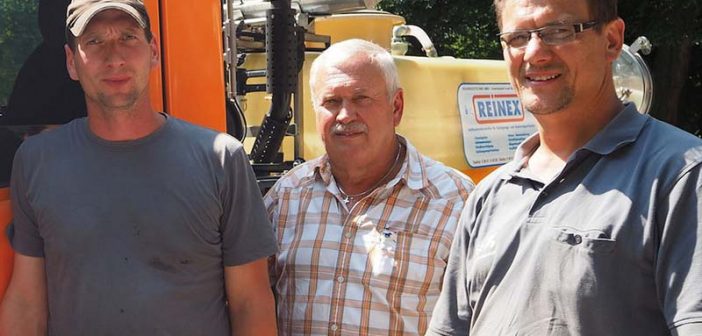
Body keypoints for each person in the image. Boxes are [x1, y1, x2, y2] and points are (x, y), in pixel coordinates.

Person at [0, 1, 278, 335]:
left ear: (154, 50)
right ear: (72, 62)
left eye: (128, 37)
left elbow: (251, 302)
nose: (114, 57)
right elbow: (26, 302)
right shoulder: (35, 161)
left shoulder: (221, 158)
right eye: (95, 42)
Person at [427, 0, 702, 335]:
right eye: (517, 38)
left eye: (557, 31)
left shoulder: (680, 176)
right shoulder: (490, 195)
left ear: (612, 40)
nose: (535, 53)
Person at [264, 38, 474, 336]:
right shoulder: (285, 199)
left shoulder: (455, 201)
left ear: (396, 107)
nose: (346, 116)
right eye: (331, 102)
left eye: (361, 99)